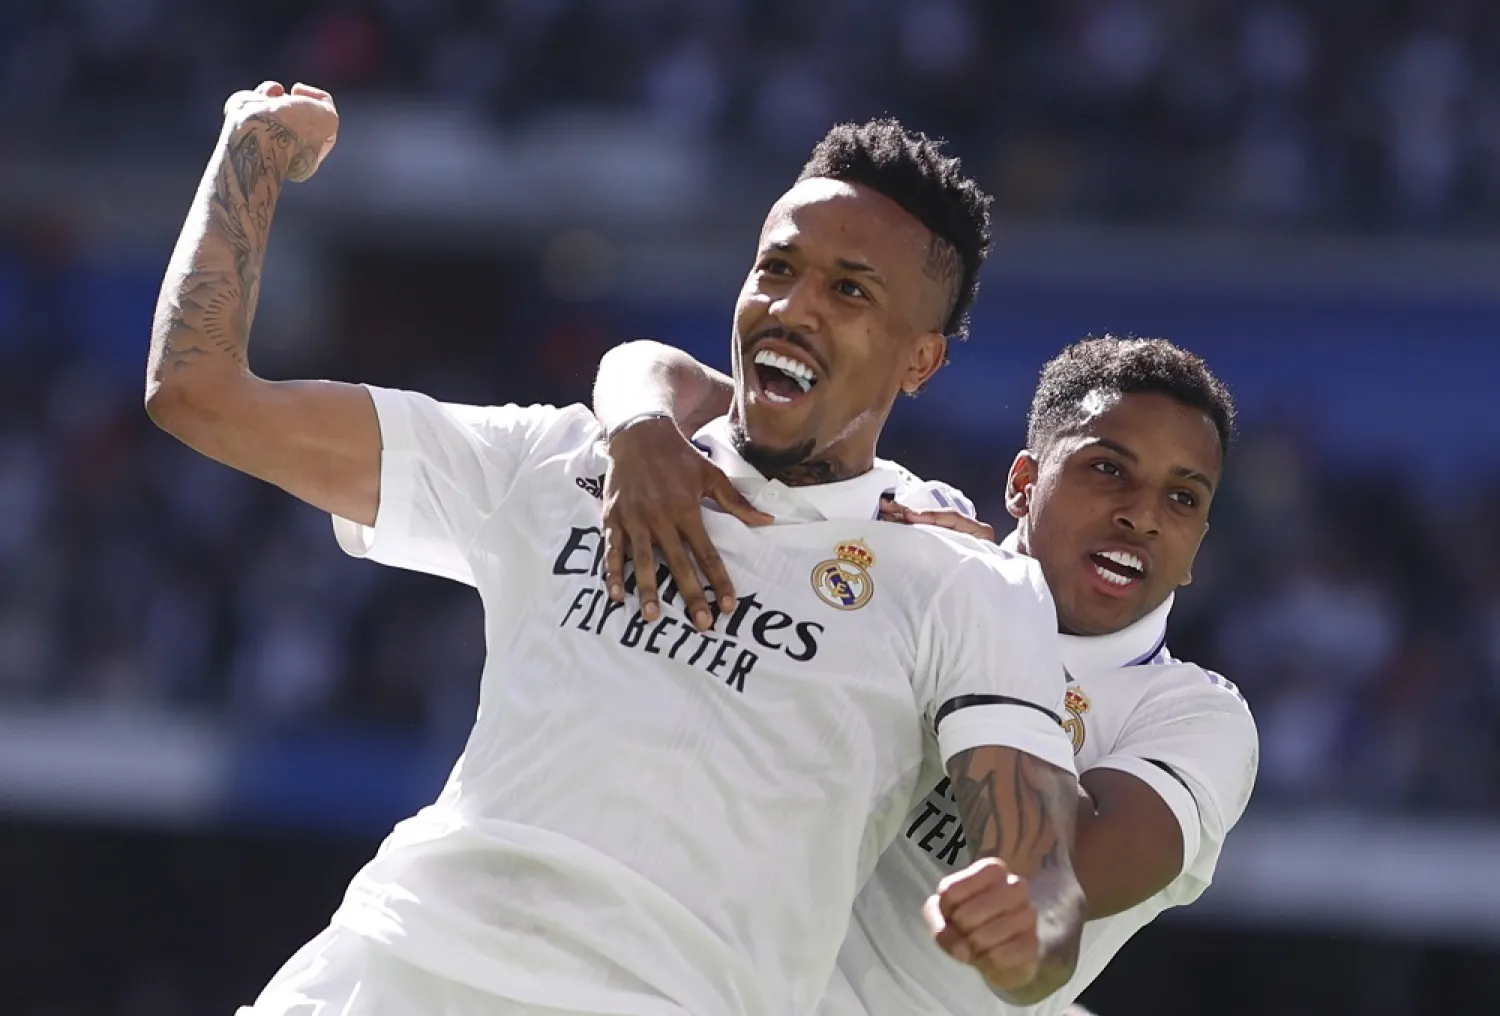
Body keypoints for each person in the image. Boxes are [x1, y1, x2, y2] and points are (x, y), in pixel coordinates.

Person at [144, 84, 1088, 1016]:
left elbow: (1044, 886)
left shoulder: (961, 581)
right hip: (385, 972)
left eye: (849, 290)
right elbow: (201, 396)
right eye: (777, 268)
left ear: (919, 360)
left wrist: (1026, 931)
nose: (792, 306)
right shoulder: (557, 459)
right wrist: (251, 152)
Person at [592, 335, 1259, 1015]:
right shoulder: (912, 540)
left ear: (1196, 547)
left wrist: (990, 620)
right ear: (1023, 485)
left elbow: (1058, 873)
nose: (1142, 516)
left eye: (1182, 499)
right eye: (1108, 470)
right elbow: (665, 374)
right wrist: (640, 427)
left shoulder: (1195, 719)